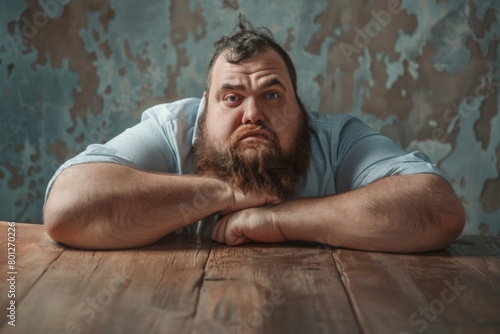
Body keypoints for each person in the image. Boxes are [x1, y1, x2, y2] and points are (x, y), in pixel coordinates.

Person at [44, 16, 465, 252]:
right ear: (203, 108)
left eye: (273, 94)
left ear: (301, 110)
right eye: (232, 97)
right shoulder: (173, 128)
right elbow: (68, 209)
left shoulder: (337, 139)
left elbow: (438, 212)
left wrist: (276, 219)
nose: (253, 114)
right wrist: (226, 193)